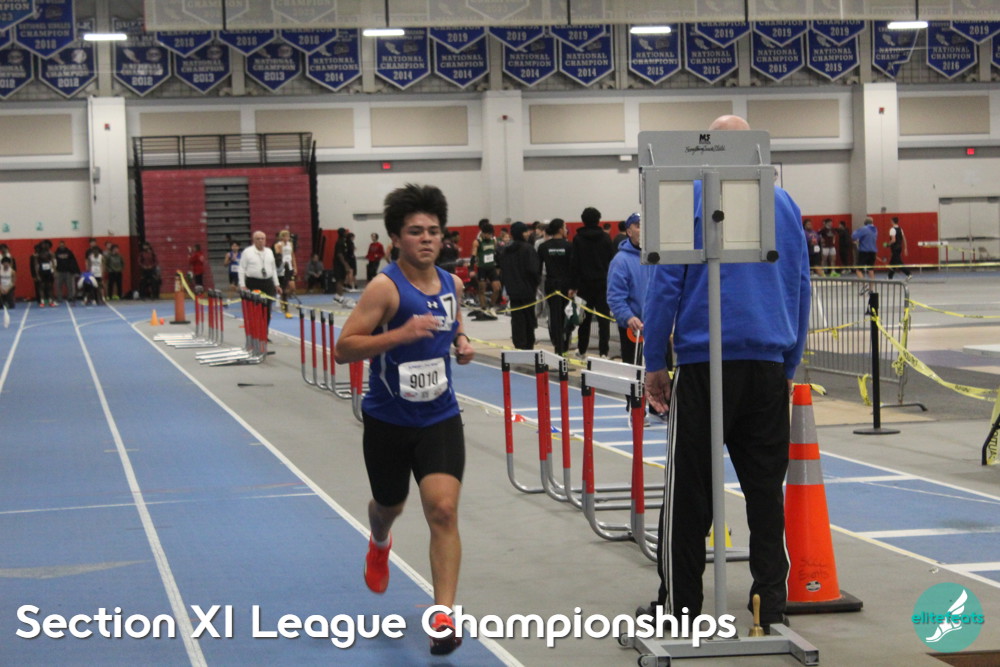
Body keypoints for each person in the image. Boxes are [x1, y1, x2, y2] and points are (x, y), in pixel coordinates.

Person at [642, 115, 811, 634]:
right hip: (766, 365)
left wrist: (654, 361)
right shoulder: (783, 203)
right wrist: (789, 360)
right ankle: (770, 606)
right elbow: (801, 284)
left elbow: (665, 282)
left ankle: (681, 609)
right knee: (765, 495)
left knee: (689, 496)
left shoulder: (687, 196)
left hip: (704, 365)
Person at [334, 183, 474, 656]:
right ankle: (379, 541)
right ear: (396, 238)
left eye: (433, 230)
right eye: (416, 231)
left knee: (443, 510)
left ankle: (444, 617)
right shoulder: (385, 288)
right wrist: (399, 334)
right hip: (388, 421)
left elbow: (453, 324)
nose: (427, 238)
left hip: (440, 416)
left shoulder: (454, 285)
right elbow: (344, 349)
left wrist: (461, 343)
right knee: (389, 505)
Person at [570, 206, 614, 358]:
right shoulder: (606, 238)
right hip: (603, 284)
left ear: (583, 220)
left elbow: (574, 264)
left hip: (584, 286)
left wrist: (573, 286)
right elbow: (612, 261)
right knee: (603, 319)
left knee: (584, 319)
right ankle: (604, 352)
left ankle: (582, 350)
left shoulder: (578, 239)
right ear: (598, 220)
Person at [607, 213, 648, 365]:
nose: (643, 229)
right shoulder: (620, 261)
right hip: (633, 330)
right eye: (638, 226)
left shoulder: (656, 258)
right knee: (635, 374)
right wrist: (629, 317)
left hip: (657, 327)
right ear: (629, 232)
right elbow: (615, 297)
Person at [498, 221, 541, 350]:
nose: (528, 234)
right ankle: (528, 345)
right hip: (527, 291)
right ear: (521, 233)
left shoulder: (506, 251)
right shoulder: (528, 249)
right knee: (528, 319)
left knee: (517, 319)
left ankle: (519, 344)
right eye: (525, 231)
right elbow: (534, 270)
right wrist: (535, 283)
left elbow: (503, 270)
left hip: (513, 291)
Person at [537, 218, 573, 355]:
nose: (566, 229)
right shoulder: (569, 246)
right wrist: (574, 286)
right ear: (560, 229)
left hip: (551, 284)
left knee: (554, 315)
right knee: (567, 314)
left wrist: (537, 285)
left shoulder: (544, 246)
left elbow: (538, 269)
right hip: (566, 285)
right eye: (565, 227)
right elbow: (574, 267)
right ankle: (564, 343)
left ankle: (557, 344)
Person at [238, 230, 282, 328]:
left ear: (265, 240)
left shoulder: (269, 251)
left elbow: (273, 269)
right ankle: (254, 331)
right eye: (258, 239)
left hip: (268, 283)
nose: (260, 241)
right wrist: (242, 285)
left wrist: (277, 284)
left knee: (267, 309)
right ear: (254, 240)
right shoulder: (247, 252)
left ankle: (264, 332)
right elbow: (241, 269)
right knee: (254, 308)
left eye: (262, 239)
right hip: (253, 283)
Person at [470, 220, 501, 316]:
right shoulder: (477, 242)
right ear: (483, 233)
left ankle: (491, 306)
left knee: (497, 288)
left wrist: (498, 267)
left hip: (491, 268)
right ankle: (483, 308)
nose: (489, 236)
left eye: (490, 234)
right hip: (482, 268)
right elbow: (473, 257)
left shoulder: (494, 241)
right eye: (487, 234)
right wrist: (471, 269)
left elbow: (496, 254)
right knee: (481, 289)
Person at [852, 216, 878, 294]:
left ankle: (864, 285)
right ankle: (871, 289)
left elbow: (854, 236)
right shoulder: (875, 230)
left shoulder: (864, 229)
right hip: (873, 251)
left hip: (864, 251)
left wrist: (856, 232)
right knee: (871, 270)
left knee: (858, 270)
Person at [274, 230, 297, 317]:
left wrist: (295, 266)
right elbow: (278, 255)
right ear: (282, 237)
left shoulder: (290, 244)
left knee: (292, 287)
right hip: (282, 267)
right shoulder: (278, 245)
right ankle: (284, 303)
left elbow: (292, 255)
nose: (287, 238)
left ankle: (283, 296)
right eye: (285, 236)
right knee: (283, 287)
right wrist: (281, 247)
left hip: (289, 267)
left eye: (288, 236)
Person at [332, 228, 355, 308]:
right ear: (342, 233)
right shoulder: (340, 242)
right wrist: (345, 264)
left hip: (341, 264)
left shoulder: (344, 242)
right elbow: (340, 255)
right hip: (338, 264)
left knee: (342, 279)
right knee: (339, 280)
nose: (346, 233)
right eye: (345, 232)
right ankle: (340, 296)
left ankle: (337, 296)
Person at [53, 240, 79, 305]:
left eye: (63, 245)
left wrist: (75, 271)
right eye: (60, 245)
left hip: (68, 272)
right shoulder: (56, 253)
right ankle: (59, 298)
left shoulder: (69, 252)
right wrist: (54, 271)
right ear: (59, 245)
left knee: (70, 286)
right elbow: (53, 262)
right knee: (58, 286)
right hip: (59, 272)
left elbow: (73, 261)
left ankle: (70, 297)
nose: (62, 246)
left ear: (65, 245)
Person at [886, 216, 911, 281]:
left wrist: (887, 244)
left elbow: (893, 240)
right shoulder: (900, 229)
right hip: (899, 247)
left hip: (894, 248)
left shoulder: (892, 229)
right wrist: (905, 248)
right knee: (892, 263)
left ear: (892, 221)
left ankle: (908, 274)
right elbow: (904, 239)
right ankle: (890, 277)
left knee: (898, 263)